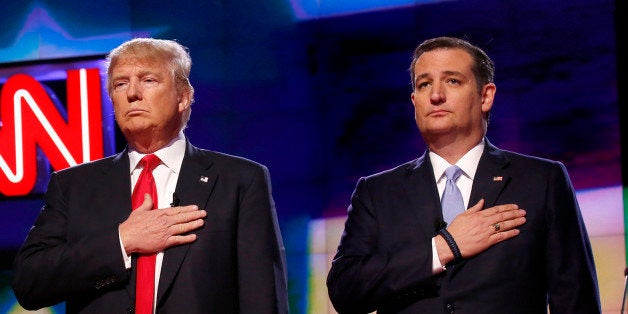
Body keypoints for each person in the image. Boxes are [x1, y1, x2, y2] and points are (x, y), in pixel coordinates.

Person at [12, 38, 289, 313]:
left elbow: (263, 298)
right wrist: (121, 241)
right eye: (120, 84)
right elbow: (29, 283)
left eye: (148, 80)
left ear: (183, 96)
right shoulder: (73, 186)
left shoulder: (240, 181)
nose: (132, 93)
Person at [326, 36, 600, 313]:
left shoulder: (542, 181)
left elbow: (576, 299)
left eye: (452, 81)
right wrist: (443, 247)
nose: (436, 95)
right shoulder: (377, 192)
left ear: (486, 96)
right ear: (414, 101)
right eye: (424, 84)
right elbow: (345, 290)